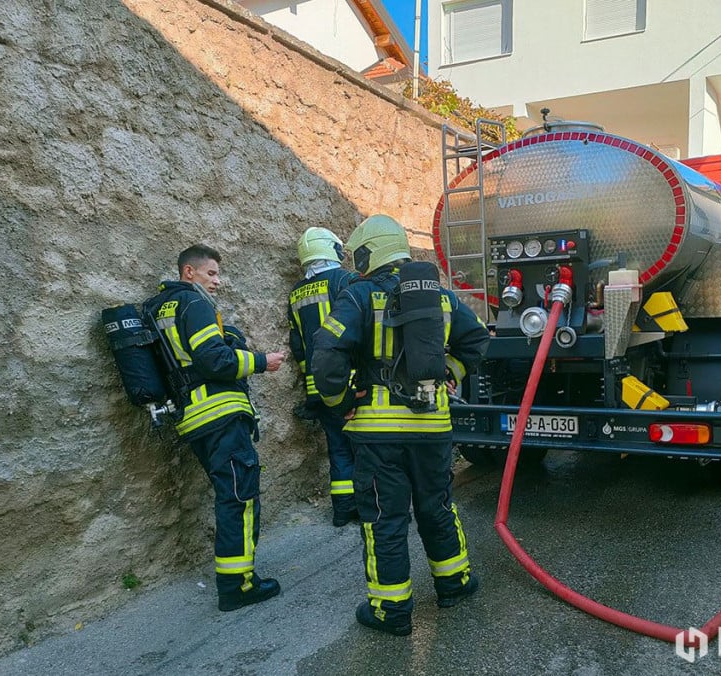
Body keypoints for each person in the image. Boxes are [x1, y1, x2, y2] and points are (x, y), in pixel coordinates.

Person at [312, 214, 490, 636]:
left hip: (378, 436)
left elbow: (325, 354)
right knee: (437, 506)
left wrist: (341, 404)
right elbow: (478, 339)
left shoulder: (358, 296)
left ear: (369, 253)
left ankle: (390, 611)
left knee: (385, 519)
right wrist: (449, 372)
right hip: (433, 429)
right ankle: (454, 583)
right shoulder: (441, 298)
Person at [144, 244, 286, 612]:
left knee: (230, 495)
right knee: (239, 497)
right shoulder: (194, 303)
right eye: (211, 273)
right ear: (188, 273)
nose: (217, 281)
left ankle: (235, 580)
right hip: (220, 413)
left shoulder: (159, 308)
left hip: (193, 417)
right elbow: (213, 359)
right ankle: (238, 585)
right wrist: (261, 361)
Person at [287, 227, 358, 527]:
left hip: (318, 387)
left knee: (338, 446)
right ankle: (368, 507)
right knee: (364, 447)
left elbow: (297, 343)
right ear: (332, 249)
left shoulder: (296, 293)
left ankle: (342, 510)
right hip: (350, 382)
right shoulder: (344, 280)